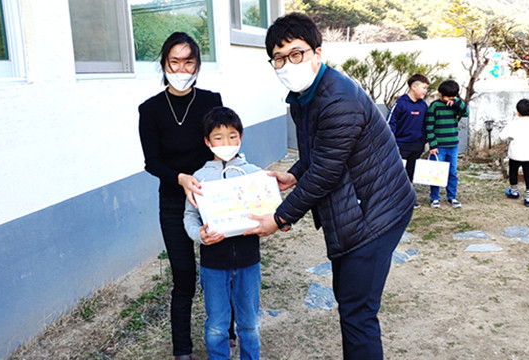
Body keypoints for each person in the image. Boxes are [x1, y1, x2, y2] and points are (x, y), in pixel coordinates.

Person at [246, 13, 416, 360]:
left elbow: (325, 172)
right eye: (278, 58)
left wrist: (278, 218)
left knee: (357, 313)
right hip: (357, 207)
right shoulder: (305, 94)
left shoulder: (339, 98)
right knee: (350, 301)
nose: (287, 64)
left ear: (317, 53)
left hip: (376, 213)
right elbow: (318, 150)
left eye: (296, 54)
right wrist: (294, 174)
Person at [138, 32, 222, 360]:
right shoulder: (151, 110)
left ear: (198, 65)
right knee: (184, 276)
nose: (182, 68)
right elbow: (152, 162)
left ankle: (225, 332)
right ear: (164, 64)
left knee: (219, 271)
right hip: (173, 203)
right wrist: (180, 179)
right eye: (175, 61)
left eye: (189, 62)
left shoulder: (211, 100)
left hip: (212, 197)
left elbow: (222, 145)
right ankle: (182, 350)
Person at [183, 106, 262, 360]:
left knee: (249, 323)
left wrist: (274, 220)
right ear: (208, 141)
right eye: (218, 137)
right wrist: (199, 235)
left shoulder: (253, 174)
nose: (226, 142)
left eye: (232, 136)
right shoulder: (199, 178)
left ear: (241, 137)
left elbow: (270, 210)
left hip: (249, 261)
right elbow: (189, 216)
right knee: (217, 324)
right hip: (214, 263)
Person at [425, 79, 469, 209]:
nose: (450, 99)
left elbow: (466, 113)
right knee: (436, 172)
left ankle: (452, 197)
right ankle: (434, 198)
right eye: (448, 97)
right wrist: (432, 145)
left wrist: (457, 102)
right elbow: (429, 126)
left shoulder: (455, 105)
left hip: (453, 145)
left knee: (452, 172)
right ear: (440, 94)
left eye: (453, 96)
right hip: (438, 147)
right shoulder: (435, 106)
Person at [387, 73, 430, 208]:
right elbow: (390, 124)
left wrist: (425, 140)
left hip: (417, 145)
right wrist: (391, 142)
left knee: (411, 172)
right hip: (401, 145)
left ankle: (408, 199)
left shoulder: (423, 106)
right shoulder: (400, 104)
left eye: (426, 88)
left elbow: (427, 124)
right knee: (398, 173)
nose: (425, 91)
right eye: (423, 88)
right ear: (414, 87)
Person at [499, 99, 529, 207]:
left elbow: (502, 136)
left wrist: (511, 137)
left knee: (513, 172)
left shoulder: (512, 124)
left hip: (515, 153)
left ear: (517, 112)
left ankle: (514, 191)